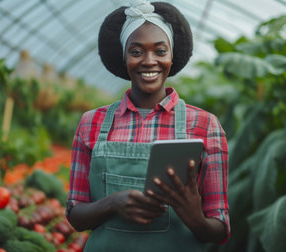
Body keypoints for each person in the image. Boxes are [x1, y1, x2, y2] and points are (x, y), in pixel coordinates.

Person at [66, 1, 229, 251]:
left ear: (172, 56)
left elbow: (219, 230)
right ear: (124, 56)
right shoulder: (92, 123)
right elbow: (75, 215)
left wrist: (195, 218)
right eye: (136, 51)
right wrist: (113, 203)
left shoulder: (205, 125)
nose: (149, 61)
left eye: (160, 51)